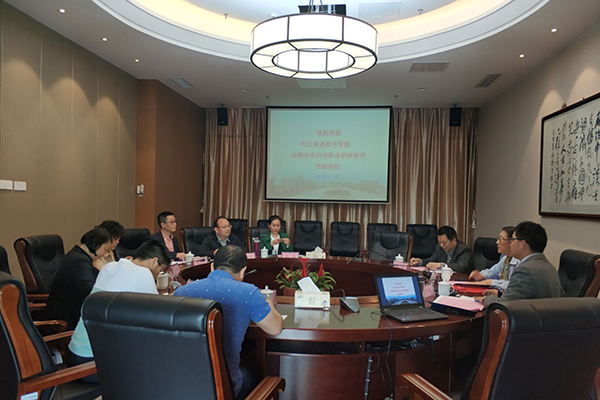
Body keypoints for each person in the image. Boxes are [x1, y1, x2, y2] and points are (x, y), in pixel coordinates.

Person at [174, 245, 283, 399]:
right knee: (254, 373)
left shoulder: (181, 292)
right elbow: (275, 328)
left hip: (181, 386)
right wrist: (269, 304)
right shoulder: (249, 292)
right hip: (224, 389)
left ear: (212, 266)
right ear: (243, 271)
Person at [66, 240, 171, 382]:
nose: (157, 275)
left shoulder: (109, 267)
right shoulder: (143, 273)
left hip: (74, 356)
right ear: (154, 261)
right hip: (94, 364)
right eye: (160, 270)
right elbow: (158, 316)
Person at [480, 221, 562, 307]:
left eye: (513, 240)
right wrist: (499, 294)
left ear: (522, 244)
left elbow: (504, 305)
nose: (511, 244)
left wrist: (485, 299)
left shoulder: (525, 270)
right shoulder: (550, 267)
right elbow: (524, 296)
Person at [47, 227, 112, 329]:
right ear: (97, 244)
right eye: (105, 249)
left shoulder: (78, 255)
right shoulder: (79, 261)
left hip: (72, 308)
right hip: (68, 317)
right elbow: (90, 291)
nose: (104, 254)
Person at [469, 226, 520, 293]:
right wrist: (481, 275)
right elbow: (493, 272)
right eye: (497, 239)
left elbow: (513, 285)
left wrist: (491, 282)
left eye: (500, 239)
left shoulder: (520, 261)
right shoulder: (505, 258)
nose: (497, 242)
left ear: (511, 241)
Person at [410, 225, 474, 273]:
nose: (441, 245)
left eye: (444, 243)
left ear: (454, 241)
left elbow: (461, 266)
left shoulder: (464, 250)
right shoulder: (439, 248)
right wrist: (419, 261)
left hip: (461, 281)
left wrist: (441, 265)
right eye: (439, 242)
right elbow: (431, 260)